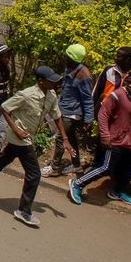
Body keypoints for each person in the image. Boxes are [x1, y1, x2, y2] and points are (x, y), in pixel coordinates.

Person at [0, 66, 74, 228]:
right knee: (34, 174)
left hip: (28, 137)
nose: (54, 83)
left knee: (3, 160)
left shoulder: (51, 95)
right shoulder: (27, 95)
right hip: (19, 137)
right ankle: (24, 211)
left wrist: (65, 139)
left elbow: (57, 116)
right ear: (41, 81)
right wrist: (16, 129)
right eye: (50, 80)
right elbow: (4, 107)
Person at [69, 69, 131, 206]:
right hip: (114, 140)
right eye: (129, 82)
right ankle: (77, 183)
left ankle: (117, 191)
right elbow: (103, 114)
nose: (130, 85)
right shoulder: (117, 95)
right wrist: (105, 136)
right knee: (106, 167)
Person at [42, 44, 94, 177]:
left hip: (72, 113)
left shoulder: (84, 76)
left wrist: (88, 119)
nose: (64, 58)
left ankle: (54, 168)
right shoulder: (70, 68)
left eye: (67, 56)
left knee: (61, 138)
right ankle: (76, 165)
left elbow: (87, 99)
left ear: (72, 59)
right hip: (64, 107)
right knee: (70, 138)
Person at [92, 47, 131, 113]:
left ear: (127, 59)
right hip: (105, 110)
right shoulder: (109, 70)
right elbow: (96, 91)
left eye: (118, 57)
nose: (115, 58)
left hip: (123, 114)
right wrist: (88, 111)